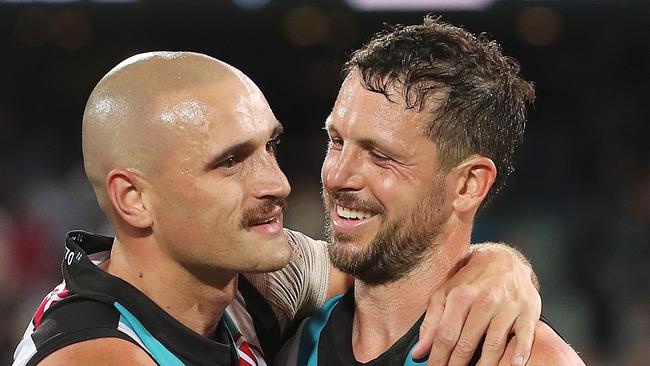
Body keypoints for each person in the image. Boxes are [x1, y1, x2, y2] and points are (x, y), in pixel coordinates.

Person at [13, 51, 540, 366]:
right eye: (230, 162)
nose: (277, 183)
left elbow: (393, 262)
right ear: (134, 199)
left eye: (270, 147)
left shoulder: (245, 284)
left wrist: (498, 266)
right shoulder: (97, 355)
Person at [277, 16, 585, 366]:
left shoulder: (527, 360)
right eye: (336, 141)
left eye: (380, 157)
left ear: (469, 184)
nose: (337, 175)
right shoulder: (287, 333)